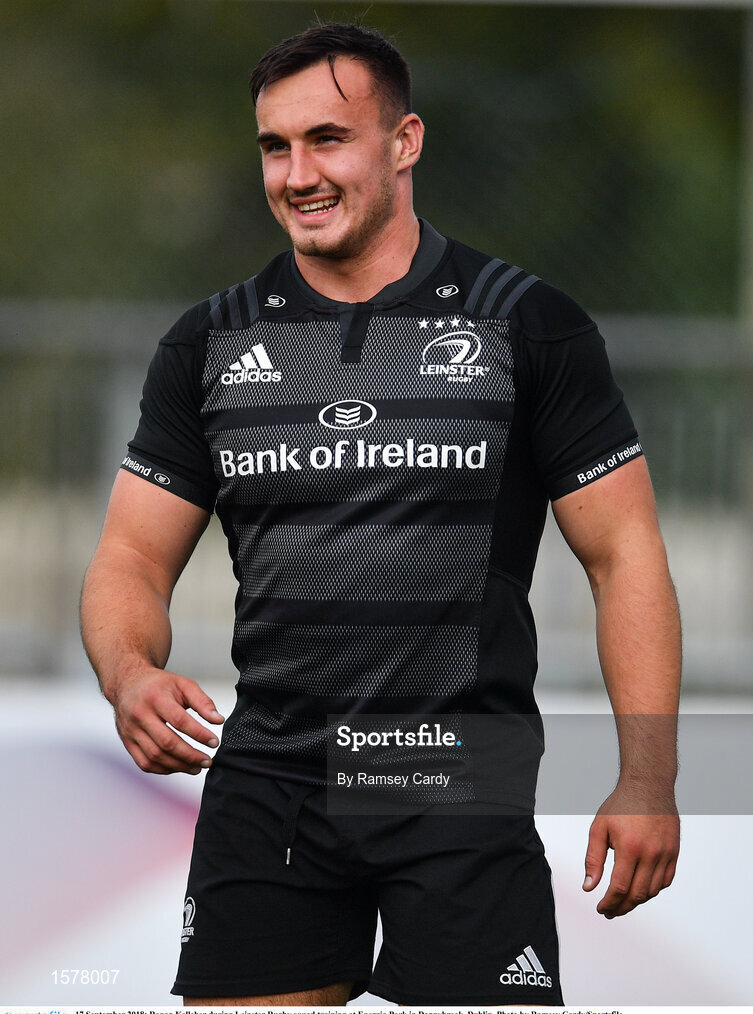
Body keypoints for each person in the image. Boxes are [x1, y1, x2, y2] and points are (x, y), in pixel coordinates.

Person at [80, 23, 681, 1007]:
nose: (296, 173)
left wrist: (648, 779)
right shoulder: (208, 343)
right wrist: (127, 672)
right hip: (271, 776)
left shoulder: (528, 323)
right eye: (275, 146)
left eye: (327, 139)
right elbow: (129, 562)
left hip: (456, 775)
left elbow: (626, 557)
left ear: (404, 142)